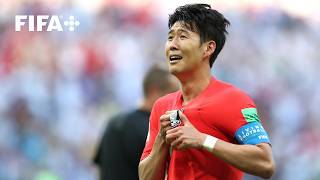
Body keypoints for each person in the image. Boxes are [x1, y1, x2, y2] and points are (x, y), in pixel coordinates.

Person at [138, 4, 275, 180]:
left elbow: (266, 163)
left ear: (208, 48)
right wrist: (161, 141)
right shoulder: (162, 107)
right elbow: (145, 177)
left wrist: (203, 140)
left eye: (182, 36)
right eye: (170, 37)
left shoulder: (233, 100)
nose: (172, 44)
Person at [93, 65, 179, 180]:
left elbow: (100, 167)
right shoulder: (155, 130)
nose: (177, 99)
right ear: (153, 91)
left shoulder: (113, 123)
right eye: (172, 93)